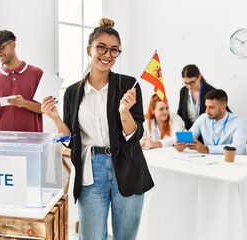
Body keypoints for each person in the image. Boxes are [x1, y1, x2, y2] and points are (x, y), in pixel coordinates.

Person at [41, 18, 154, 240]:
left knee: (126, 236)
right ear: (89, 50)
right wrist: (54, 117)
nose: (107, 55)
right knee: (91, 236)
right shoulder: (73, 92)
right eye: (101, 47)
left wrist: (124, 111)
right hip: (91, 170)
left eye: (114, 50)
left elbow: (135, 134)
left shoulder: (129, 85)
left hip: (128, 165)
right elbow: (72, 139)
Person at [0, 30, 43, 132]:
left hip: (33, 141)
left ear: (12, 44)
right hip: (1, 142)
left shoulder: (37, 73)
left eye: (1, 48)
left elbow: (45, 109)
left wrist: (24, 103)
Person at [174, 89, 247, 154]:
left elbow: (238, 148)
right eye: (206, 106)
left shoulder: (239, 122)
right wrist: (180, 144)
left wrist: (207, 149)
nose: (207, 111)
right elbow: (190, 136)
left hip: (229, 163)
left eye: (211, 107)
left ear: (223, 107)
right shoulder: (203, 118)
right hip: (208, 161)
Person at [177, 64, 231, 130]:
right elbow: (180, 112)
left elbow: (226, 113)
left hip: (207, 132)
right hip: (189, 130)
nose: (189, 86)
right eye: (185, 83)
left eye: (192, 83)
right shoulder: (183, 91)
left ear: (199, 77)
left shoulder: (211, 91)